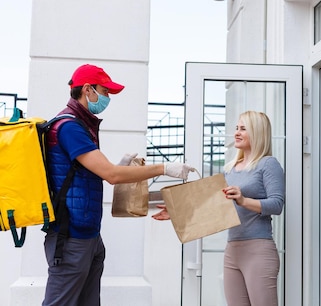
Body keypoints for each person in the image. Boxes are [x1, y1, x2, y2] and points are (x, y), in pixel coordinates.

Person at [42, 64, 196, 306]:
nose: (107, 97)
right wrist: (165, 168)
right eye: (105, 92)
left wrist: (120, 166)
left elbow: (92, 173)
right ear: (87, 90)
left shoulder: (82, 125)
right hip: (71, 237)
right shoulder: (70, 127)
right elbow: (111, 175)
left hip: (88, 235)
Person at [153, 110, 285, 306]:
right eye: (236, 128)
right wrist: (177, 212)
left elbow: (277, 204)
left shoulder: (268, 164)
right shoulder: (230, 168)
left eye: (243, 129)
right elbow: (214, 206)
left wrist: (243, 200)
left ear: (257, 132)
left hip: (258, 249)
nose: (237, 133)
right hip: (233, 250)